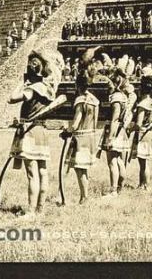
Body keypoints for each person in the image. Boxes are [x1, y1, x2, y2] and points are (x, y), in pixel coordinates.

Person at [8, 47, 64, 216]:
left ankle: (31, 211)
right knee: (43, 172)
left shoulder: (32, 89)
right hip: (42, 131)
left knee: (32, 173)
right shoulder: (47, 89)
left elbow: (11, 98)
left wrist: (22, 83)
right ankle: (40, 208)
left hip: (30, 131)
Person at [62, 72, 99, 204]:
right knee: (83, 168)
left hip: (80, 138)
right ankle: (84, 195)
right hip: (91, 136)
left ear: (77, 85)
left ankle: (83, 197)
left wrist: (67, 130)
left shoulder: (80, 99)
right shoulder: (94, 100)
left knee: (77, 168)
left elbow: (76, 122)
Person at [99, 67, 136, 197]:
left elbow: (115, 118)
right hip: (122, 131)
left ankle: (114, 191)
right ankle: (120, 188)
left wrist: (110, 138)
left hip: (114, 131)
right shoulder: (125, 97)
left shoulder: (116, 97)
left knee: (112, 161)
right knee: (120, 160)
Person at [129, 69, 152, 189]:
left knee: (143, 163)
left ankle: (146, 186)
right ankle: (141, 184)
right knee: (143, 162)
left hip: (142, 135)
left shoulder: (142, 104)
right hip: (149, 134)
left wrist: (129, 129)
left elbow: (138, 124)